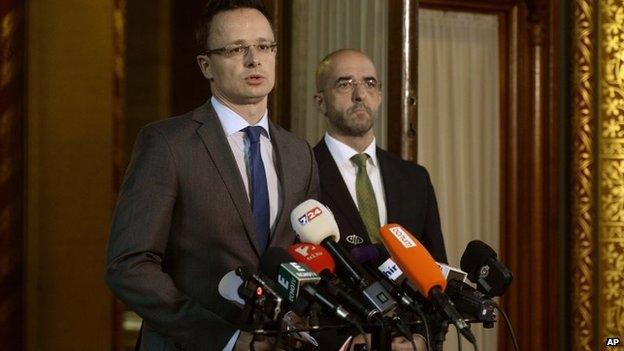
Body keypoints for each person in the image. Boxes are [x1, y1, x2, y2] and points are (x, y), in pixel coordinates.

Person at [105, 1, 318, 350]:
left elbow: (303, 258)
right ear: (207, 65)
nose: (254, 59)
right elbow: (128, 265)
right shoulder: (167, 144)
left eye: (264, 46)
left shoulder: (300, 154)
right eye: (237, 49)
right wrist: (227, 338)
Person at [312, 49, 448, 350]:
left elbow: (435, 271)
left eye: (370, 83)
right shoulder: (302, 174)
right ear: (320, 101)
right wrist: (347, 343)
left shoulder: (415, 179)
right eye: (345, 84)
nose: (360, 94)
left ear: (381, 95)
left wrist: (424, 339)